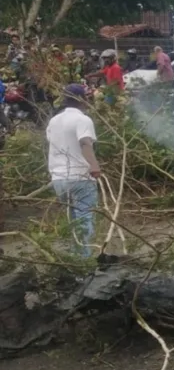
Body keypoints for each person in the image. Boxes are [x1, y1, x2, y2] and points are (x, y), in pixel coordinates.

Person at [46, 84, 101, 259]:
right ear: (81, 99)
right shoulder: (83, 120)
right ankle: (84, 263)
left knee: (72, 222)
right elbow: (85, 143)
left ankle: (74, 259)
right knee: (84, 219)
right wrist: (94, 166)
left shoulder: (54, 121)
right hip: (80, 177)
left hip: (59, 179)